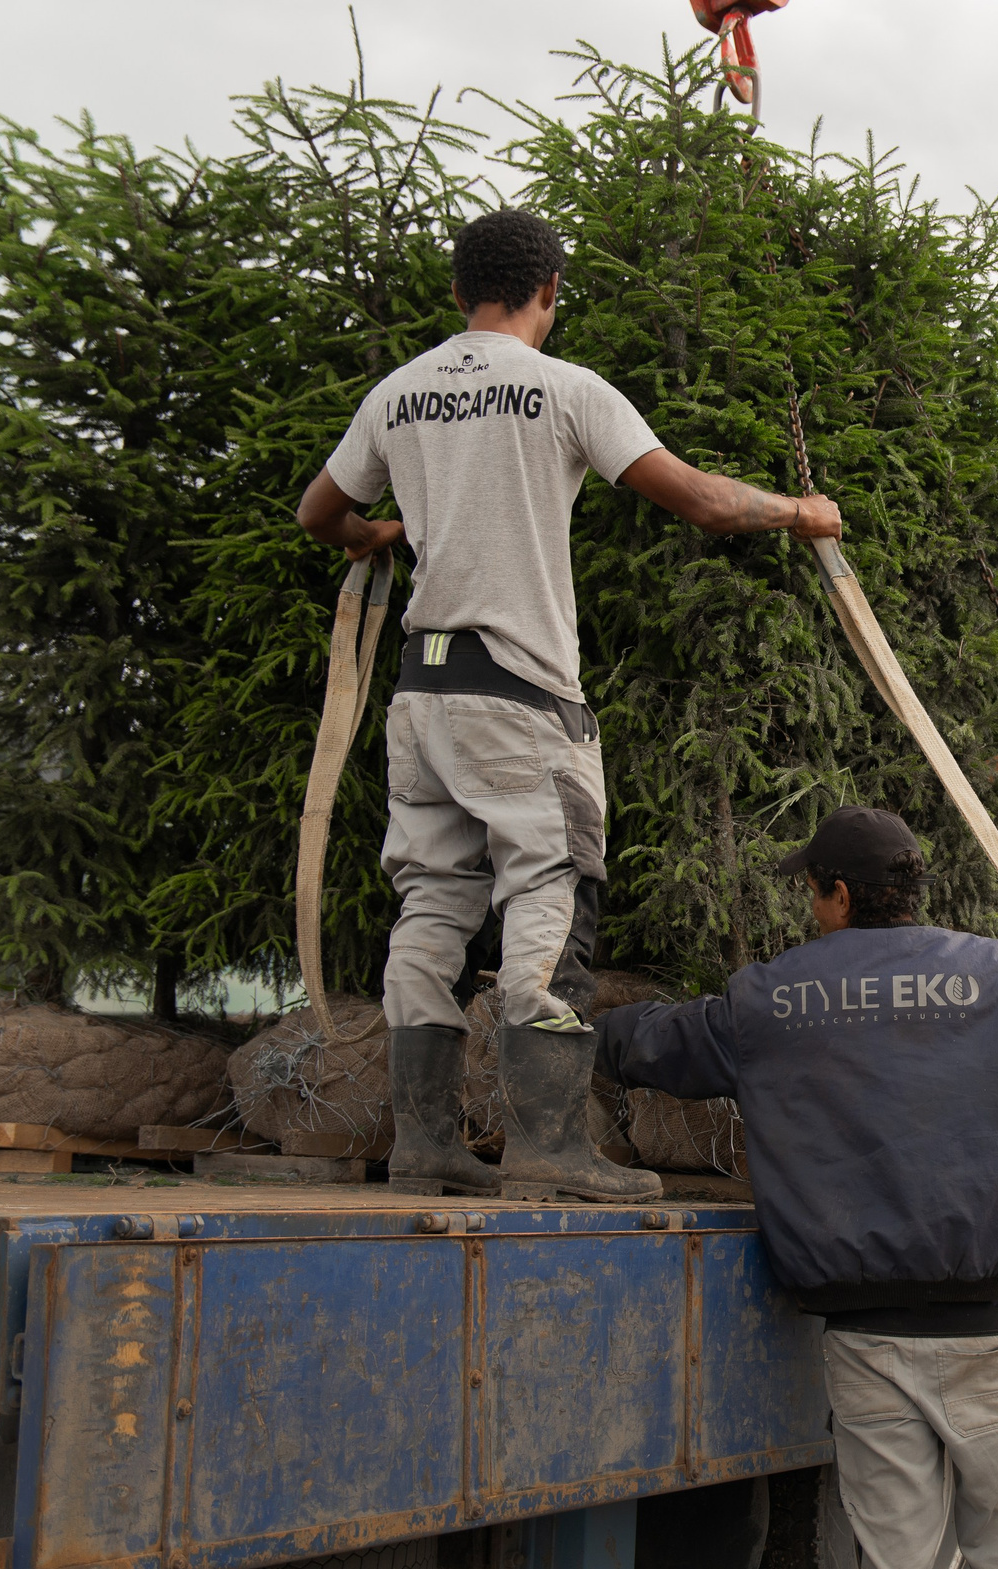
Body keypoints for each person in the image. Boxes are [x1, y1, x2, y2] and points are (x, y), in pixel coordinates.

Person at [295, 207, 841, 1202]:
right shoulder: (564, 391)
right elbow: (703, 502)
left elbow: (316, 512)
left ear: (461, 293)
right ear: (550, 293)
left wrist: (376, 537)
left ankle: (423, 1143)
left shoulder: (399, 394)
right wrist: (800, 512)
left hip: (422, 695)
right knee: (547, 893)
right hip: (519, 699)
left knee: (430, 908)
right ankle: (547, 1144)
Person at [593, 806, 998, 1569]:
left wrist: (586, 1028)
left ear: (840, 895)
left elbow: (659, 1045)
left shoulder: (771, 996)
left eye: (812, 890)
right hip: (992, 1336)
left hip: (865, 1342)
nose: (810, 907)